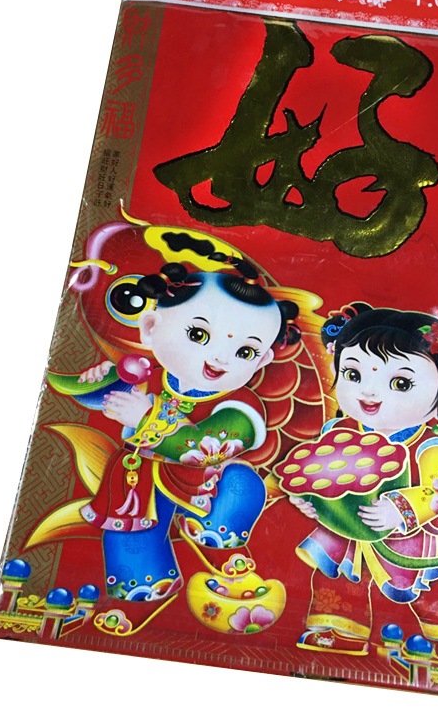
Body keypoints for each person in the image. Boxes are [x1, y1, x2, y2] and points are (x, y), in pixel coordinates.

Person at [75, 237, 302, 633]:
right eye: (199, 335)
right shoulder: (147, 375)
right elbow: (99, 401)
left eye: (245, 353)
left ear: (263, 360)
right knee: (130, 534)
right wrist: (96, 384)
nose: (220, 358)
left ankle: (224, 552)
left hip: (208, 484)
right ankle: (142, 592)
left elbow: (203, 448)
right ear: (150, 328)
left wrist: (146, 417)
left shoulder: (242, 405)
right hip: (142, 479)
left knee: (238, 484)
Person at [289, 303, 438, 661]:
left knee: (426, 584)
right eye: (353, 374)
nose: (368, 392)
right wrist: (312, 499)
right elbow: (323, 472)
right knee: (339, 577)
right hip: (349, 527)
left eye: (400, 383)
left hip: (410, 536)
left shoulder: (433, 445)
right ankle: (339, 630)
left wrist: (401, 509)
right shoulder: (340, 431)